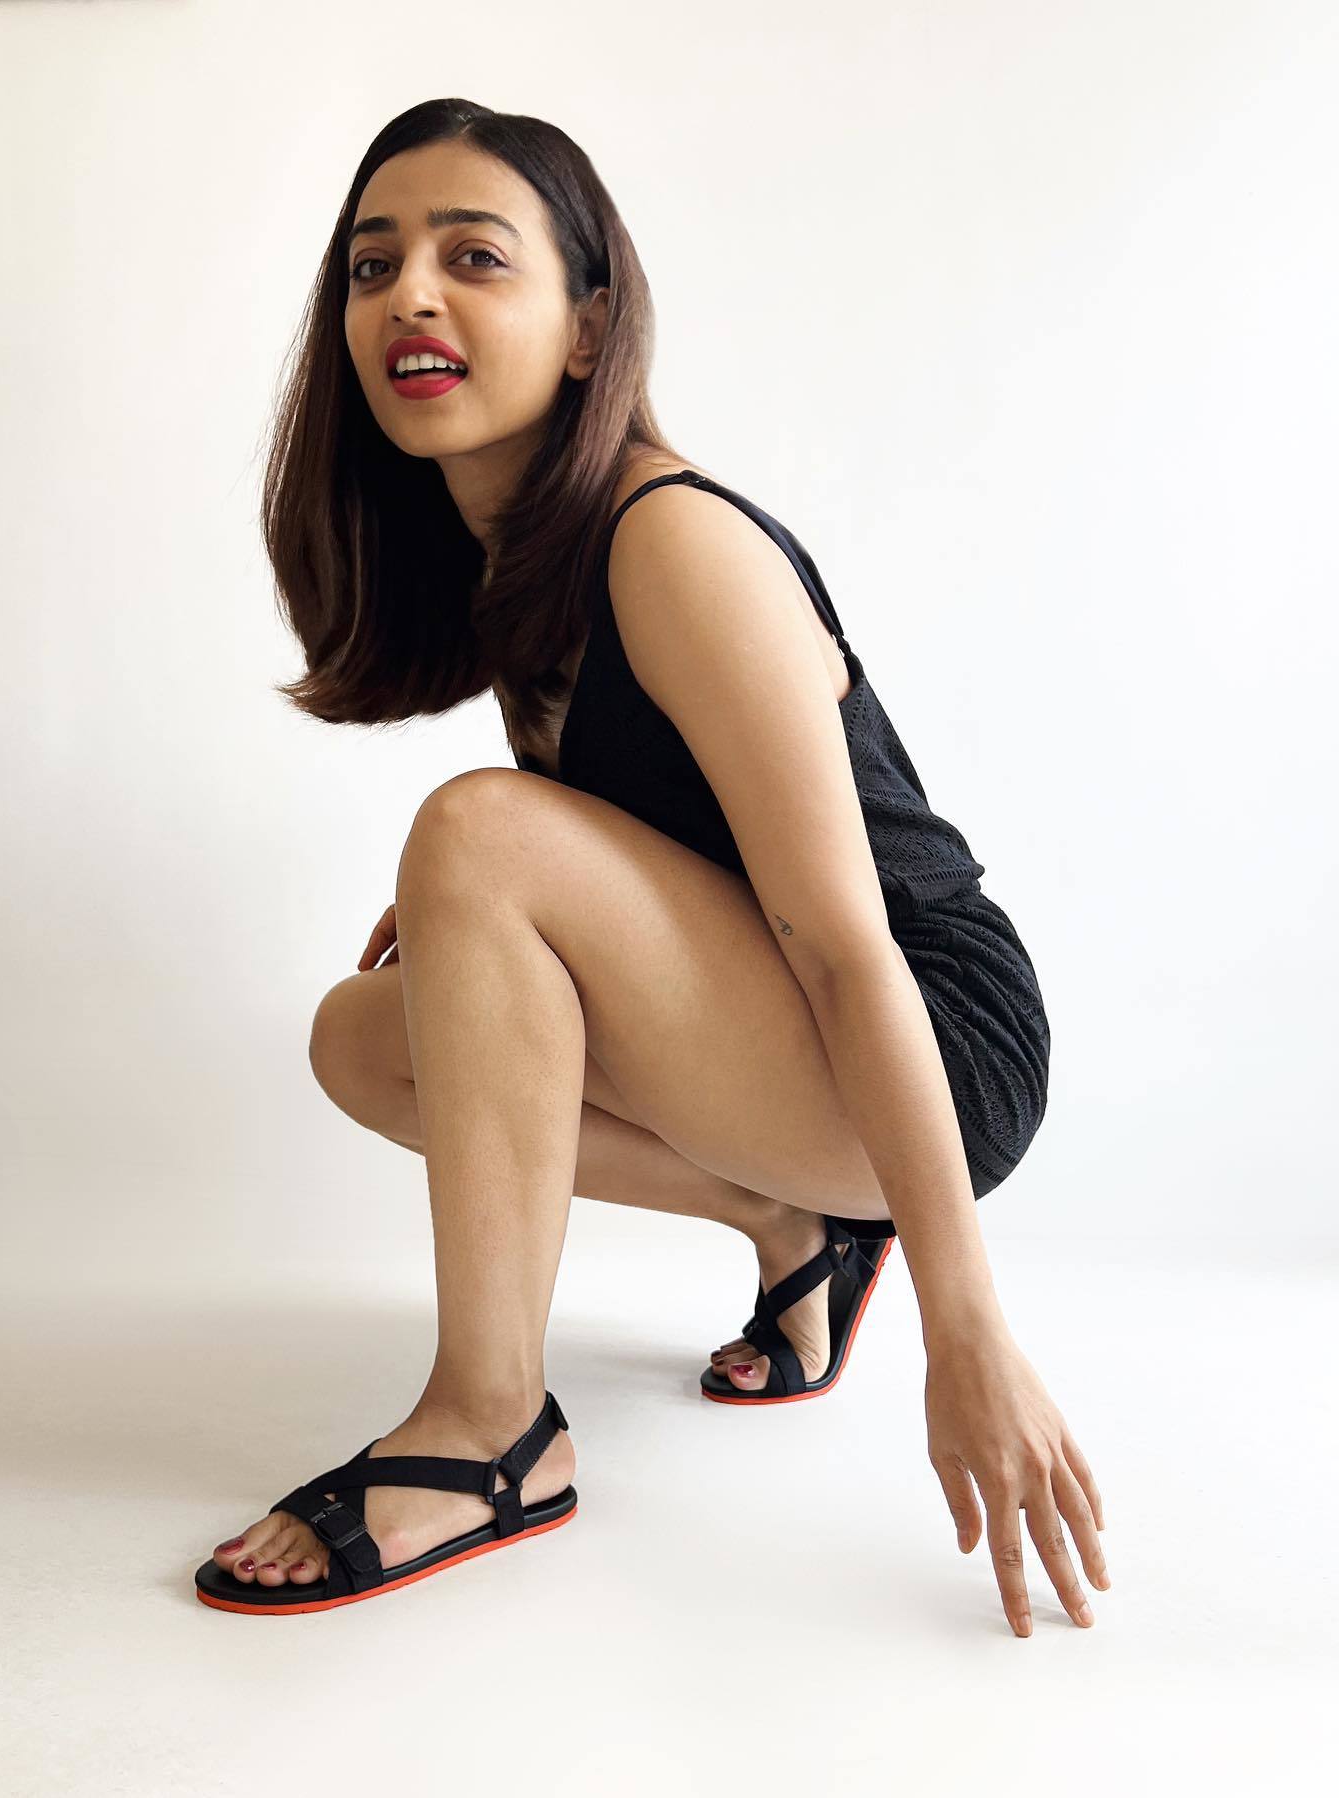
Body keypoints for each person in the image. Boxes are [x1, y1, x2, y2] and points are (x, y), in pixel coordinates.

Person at [194, 98, 1109, 1634]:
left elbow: (846, 943)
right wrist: (483, 912)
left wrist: (970, 1330)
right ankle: (801, 1229)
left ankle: (490, 1428)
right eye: (372, 265)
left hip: (937, 1039)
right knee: (366, 1039)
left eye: (473, 256)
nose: (410, 295)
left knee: (474, 825)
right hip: (795, 1024)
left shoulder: (669, 540)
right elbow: (666, 824)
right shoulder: (520, 552)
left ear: (586, 327)